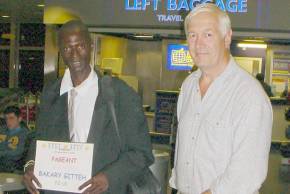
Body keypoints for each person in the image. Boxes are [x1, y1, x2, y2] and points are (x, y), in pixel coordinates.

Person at [23, 20, 154, 194]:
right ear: (60, 51)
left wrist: (109, 177)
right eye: (67, 48)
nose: (74, 55)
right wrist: (30, 165)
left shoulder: (119, 94)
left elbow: (142, 153)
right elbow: (39, 139)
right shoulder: (51, 93)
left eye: (80, 46)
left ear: (91, 46)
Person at [169, 3, 272, 194]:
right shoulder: (188, 86)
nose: (198, 44)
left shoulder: (249, 94)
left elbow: (248, 172)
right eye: (192, 35)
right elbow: (183, 150)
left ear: (227, 38)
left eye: (208, 34)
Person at [0, 106, 28, 172]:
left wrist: (1, 153)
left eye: (11, 118)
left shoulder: (25, 134)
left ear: (19, 119)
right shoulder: (1, 130)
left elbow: (18, 153)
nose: (8, 121)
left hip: (13, 168)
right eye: (6, 118)